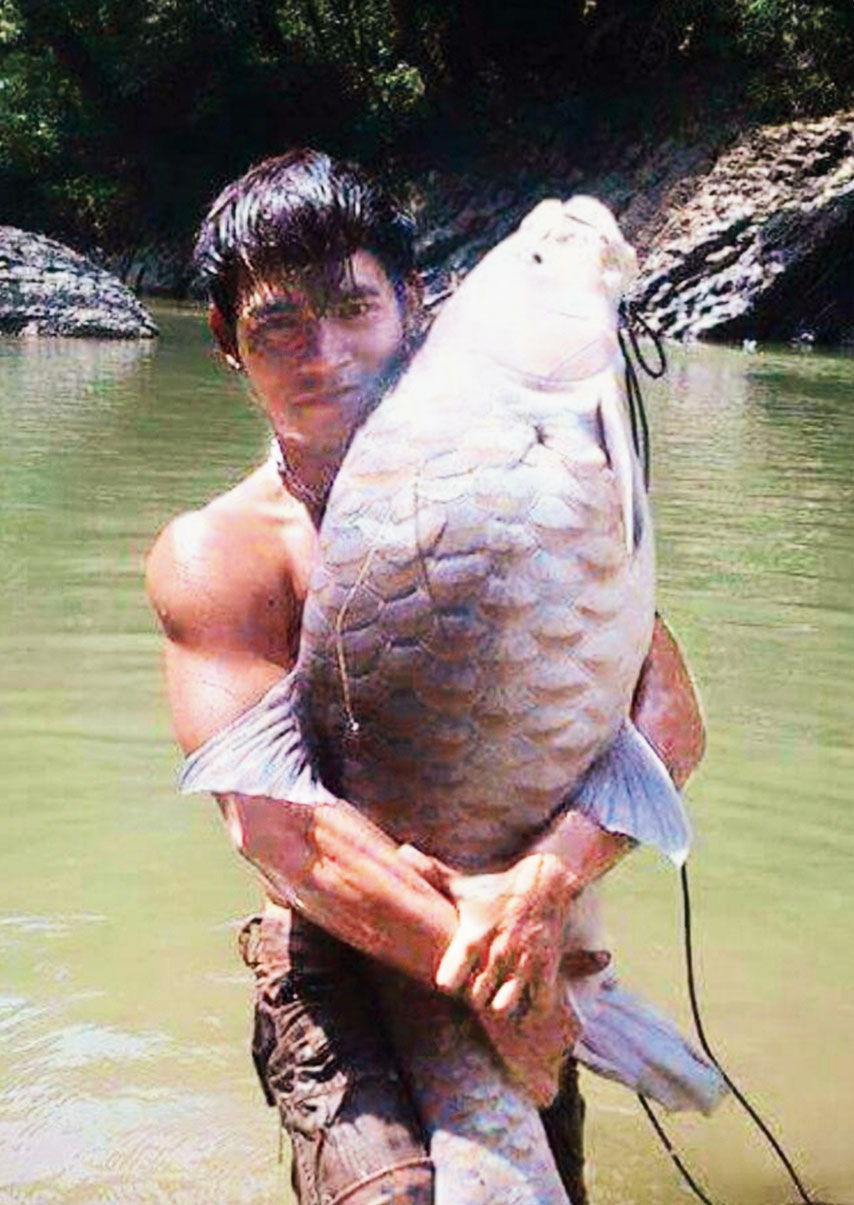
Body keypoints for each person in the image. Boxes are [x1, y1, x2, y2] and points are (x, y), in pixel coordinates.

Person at [146, 149, 706, 1204]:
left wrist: (543, 885)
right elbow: (278, 828)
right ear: (226, 344)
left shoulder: (528, 482)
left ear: (414, 302)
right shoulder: (218, 555)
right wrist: (498, 987)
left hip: (525, 923)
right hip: (343, 941)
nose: (324, 353)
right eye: (277, 326)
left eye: (352, 307)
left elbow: (666, 719)